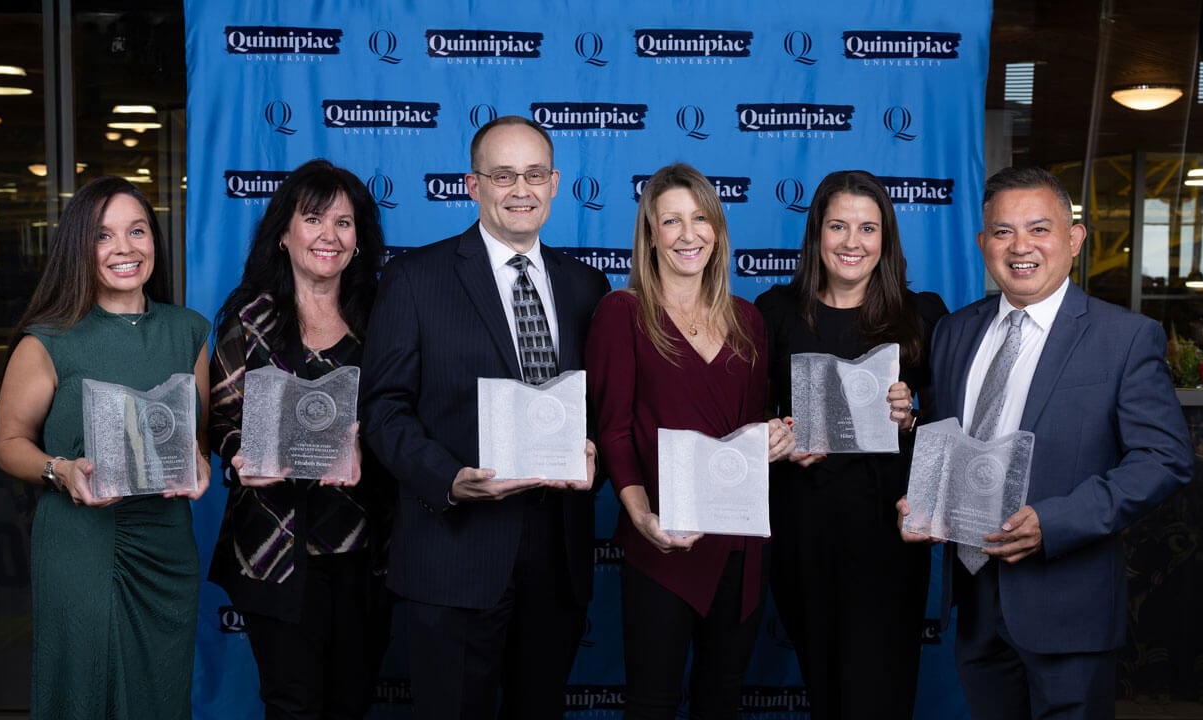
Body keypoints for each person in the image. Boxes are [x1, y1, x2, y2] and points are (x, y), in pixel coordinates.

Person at [897, 166, 1192, 719]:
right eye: (1003, 232)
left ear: (1074, 239)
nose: (1020, 247)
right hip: (976, 598)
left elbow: (1164, 459)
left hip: (1068, 601)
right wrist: (925, 497)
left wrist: (1055, 523)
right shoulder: (955, 331)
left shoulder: (1124, 337)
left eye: (1039, 229)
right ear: (983, 243)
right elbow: (947, 438)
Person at [358, 115, 611, 718]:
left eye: (533, 174)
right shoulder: (415, 278)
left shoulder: (587, 286)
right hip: (454, 551)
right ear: (473, 185)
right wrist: (448, 478)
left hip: (557, 554)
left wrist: (594, 449)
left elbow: (599, 404)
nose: (519, 189)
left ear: (555, 184)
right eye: (502, 175)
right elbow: (383, 409)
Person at [0, 176, 211, 718]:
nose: (125, 249)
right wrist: (62, 471)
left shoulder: (188, 332)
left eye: (137, 231)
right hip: (80, 545)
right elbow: (7, 443)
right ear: (79, 249)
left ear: (154, 241)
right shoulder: (50, 339)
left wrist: (201, 463)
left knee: (160, 694)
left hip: (166, 545)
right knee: (83, 694)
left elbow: (195, 437)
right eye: (103, 236)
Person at [586, 162, 795, 719]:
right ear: (650, 234)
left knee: (721, 700)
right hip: (663, 541)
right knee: (652, 703)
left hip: (740, 542)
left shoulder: (750, 321)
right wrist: (640, 517)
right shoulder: (622, 312)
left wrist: (774, 437)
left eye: (701, 218)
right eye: (671, 220)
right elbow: (613, 429)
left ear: (718, 231)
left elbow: (751, 426)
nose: (687, 234)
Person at [755, 170, 947, 720]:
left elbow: (952, 419)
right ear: (817, 233)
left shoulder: (922, 314)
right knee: (825, 688)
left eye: (867, 228)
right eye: (838, 226)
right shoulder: (776, 312)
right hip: (803, 531)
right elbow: (747, 411)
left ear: (885, 238)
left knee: (881, 690)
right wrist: (777, 433)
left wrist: (913, 413)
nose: (851, 242)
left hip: (888, 533)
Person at [206, 159, 392, 718]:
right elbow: (220, 420)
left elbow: (406, 416)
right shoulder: (250, 319)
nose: (328, 236)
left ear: (359, 240)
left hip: (365, 552)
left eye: (344, 222)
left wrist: (371, 447)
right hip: (275, 549)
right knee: (293, 706)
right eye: (313, 219)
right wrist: (239, 457)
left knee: (352, 702)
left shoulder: (383, 317)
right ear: (284, 233)